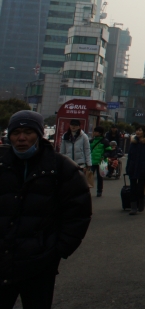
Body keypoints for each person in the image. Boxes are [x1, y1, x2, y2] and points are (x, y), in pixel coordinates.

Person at [0, 110, 92, 308]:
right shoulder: (2, 165)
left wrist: (57, 251)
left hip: (40, 263)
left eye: (28, 132)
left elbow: (78, 213)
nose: (21, 138)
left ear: (39, 135)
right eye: (16, 133)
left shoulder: (61, 168)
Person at [125, 125, 145, 215]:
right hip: (133, 168)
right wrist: (128, 168)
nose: (138, 132)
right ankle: (133, 207)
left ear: (144, 132)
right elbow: (129, 157)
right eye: (137, 130)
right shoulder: (133, 142)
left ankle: (141, 202)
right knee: (133, 188)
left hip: (143, 169)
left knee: (140, 188)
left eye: (140, 130)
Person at [89, 126, 108, 198]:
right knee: (89, 176)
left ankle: (99, 191)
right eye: (94, 131)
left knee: (100, 177)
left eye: (96, 131)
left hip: (101, 162)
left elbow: (108, 151)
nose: (94, 133)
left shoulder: (105, 141)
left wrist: (104, 156)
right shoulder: (91, 141)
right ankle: (88, 190)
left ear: (100, 133)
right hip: (92, 161)